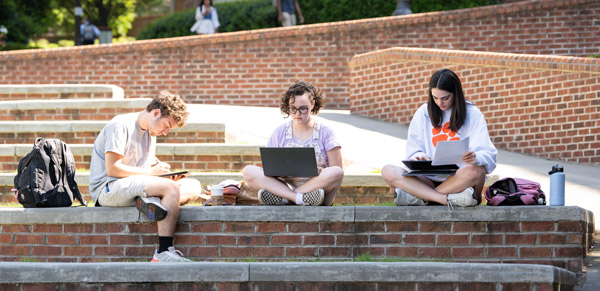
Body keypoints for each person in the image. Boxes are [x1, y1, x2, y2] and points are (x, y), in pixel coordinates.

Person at [89, 91, 201, 262]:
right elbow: (112, 169)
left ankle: (152, 201)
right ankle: (163, 252)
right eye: (167, 126)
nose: (166, 132)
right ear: (156, 113)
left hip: (134, 184)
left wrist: (162, 173)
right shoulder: (120, 125)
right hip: (108, 187)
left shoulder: (150, 132)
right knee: (170, 189)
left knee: (194, 185)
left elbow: (145, 168)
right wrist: (152, 174)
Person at [381, 69, 497, 207]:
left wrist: (475, 157)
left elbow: (488, 155)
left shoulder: (473, 113)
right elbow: (413, 150)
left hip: (460, 180)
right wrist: (419, 156)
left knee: (477, 171)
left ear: (455, 94)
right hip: (428, 179)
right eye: (435, 98)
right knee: (388, 171)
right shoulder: (424, 112)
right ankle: (445, 199)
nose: (439, 103)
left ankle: (421, 198)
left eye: (445, 98)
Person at [242, 81, 344, 206]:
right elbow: (269, 169)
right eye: (293, 109)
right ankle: (298, 198)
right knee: (248, 171)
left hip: (319, 188)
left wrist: (320, 171)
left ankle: (287, 198)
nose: (297, 114)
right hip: (287, 185)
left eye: (303, 109)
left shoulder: (326, 132)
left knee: (336, 172)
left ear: (312, 104)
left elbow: (338, 172)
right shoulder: (280, 132)